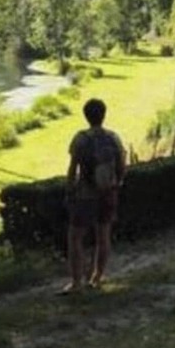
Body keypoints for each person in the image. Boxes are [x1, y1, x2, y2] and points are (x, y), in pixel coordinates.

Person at [62, 98, 126, 294]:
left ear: (86, 116)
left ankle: (76, 282)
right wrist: (117, 184)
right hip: (108, 192)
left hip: (85, 194)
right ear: (103, 115)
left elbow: (73, 169)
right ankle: (97, 277)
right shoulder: (113, 137)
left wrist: (69, 190)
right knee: (103, 236)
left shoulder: (81, 139)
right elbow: (122, 165)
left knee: (75, 237)